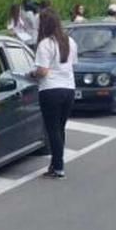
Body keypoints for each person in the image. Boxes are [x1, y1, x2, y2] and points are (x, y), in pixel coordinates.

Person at [30, 9, 78, 179]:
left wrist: (32, 74)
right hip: (69, 89)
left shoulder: (46, 44)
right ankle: (55, 164)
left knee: (52, 130)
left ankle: (58, 167)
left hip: (50, 90)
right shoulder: (70, 41)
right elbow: (73, 64)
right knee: (60, 128)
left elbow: (42, 71)